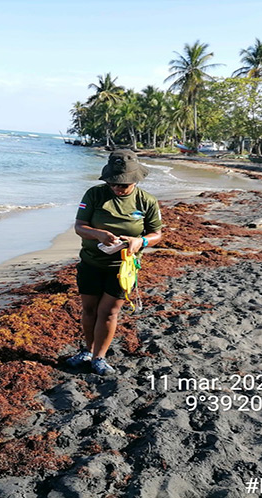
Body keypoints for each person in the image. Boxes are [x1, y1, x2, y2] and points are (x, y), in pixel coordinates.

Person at [69, 150, 162, 376]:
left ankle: (99, 358)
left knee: (109, 312)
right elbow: (79, 226)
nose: (117, 188)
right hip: (91, 262)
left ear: (135, 180)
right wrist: (98, 234)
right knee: (89, 309)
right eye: (113, 184)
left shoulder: (147, 201)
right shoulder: (94, 195)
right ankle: (88, 351)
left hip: (123, 268)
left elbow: (156, 234)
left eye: (123, 185)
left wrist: (140, 241)